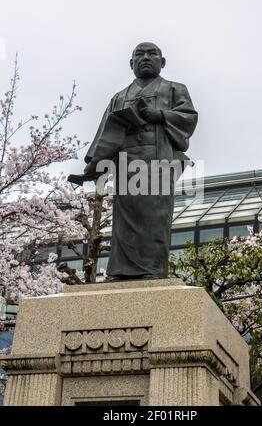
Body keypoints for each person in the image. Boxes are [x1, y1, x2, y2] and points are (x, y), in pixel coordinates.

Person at [69, 42, 198, 280]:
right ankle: (121, 271)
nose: (146, 58)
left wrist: (160, 115)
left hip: (158, 161)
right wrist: (92, 167)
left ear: (163, 61)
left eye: (152, 54)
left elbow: (188, 118)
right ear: (131, 63)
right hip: (126, 162)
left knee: (155, 215)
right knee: (124, 219)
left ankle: (152, 270)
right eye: (140, 54)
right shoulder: (119, 97)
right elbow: (105, 133)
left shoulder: (174, 89)